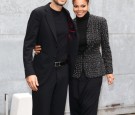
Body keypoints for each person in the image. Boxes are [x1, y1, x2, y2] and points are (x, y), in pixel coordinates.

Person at [34, 0, 115, 114]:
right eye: (76, 6)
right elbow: (59, 43)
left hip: (94, 73)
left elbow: (106, 47)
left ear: (88, 5)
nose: (79, 9)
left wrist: (109, 71)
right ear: (72, 6)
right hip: (73, 73)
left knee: (89, 109)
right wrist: (37, 46)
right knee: (75, 110)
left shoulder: (100, 22)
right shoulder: (69, 24)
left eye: (83, 6)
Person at [23, 0, 78, 115]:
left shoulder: (66, 14)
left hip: (63, 73)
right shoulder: (39, 13)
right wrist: (29, 72)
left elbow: (69, 41)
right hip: (43, 73)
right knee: (41, 111)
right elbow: (28, 45)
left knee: (58, 112)